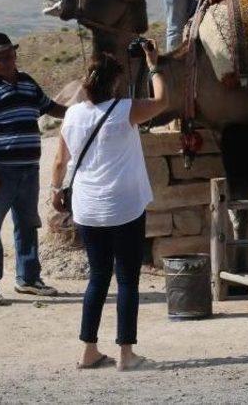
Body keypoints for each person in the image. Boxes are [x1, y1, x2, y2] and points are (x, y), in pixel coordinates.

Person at [50, 40, 168, 371]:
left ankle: (88, 350)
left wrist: (54, 190)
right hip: (125, 205)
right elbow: (163, 100)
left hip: (88, 208)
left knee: (98, 277)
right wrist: (153, 63)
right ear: (114, 82)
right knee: (127, 278)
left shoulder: (72, 114)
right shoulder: (125, 109)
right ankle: (126, 354)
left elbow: (60, 160)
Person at [0, 32, 67, 306]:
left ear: (14, 55)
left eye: (9, 55)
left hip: (28, 170)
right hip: (0, 171)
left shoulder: (27, 83)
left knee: (27, 224)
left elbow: (50, 107)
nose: (6, 61)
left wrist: (81, 111)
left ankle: (28, 279)